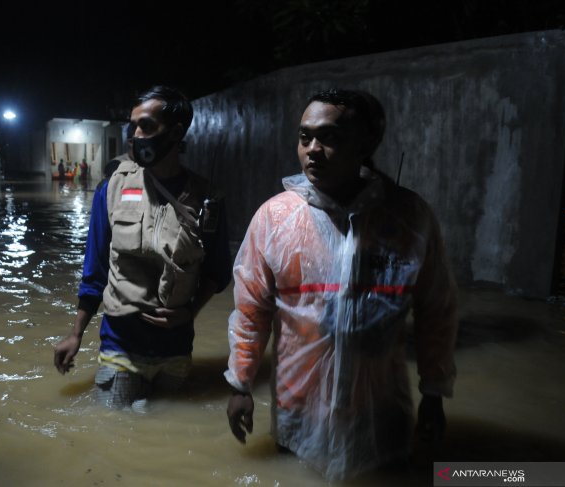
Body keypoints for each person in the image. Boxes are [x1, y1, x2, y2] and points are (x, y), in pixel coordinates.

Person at [224, 89, 458, 480]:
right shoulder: (274, 219)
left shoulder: (408, 218)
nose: (312, 149)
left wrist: (434, 393)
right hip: (298, 409)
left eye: (329, 137)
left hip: (381, 411)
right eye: (304, 137)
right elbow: (250, 309)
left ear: (365, 143)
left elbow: (438, 310)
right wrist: (240, 384)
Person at [54, 85, 232, 411]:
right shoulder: (112, 190)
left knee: (166, 439)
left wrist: (189, 314)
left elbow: (218, 272)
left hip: (176, 353)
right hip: (120, 347)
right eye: (133, 126)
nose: (135, 135)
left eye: (146, 126)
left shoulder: (208, 200)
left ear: (176, 132)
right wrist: (76, 334)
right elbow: (95, 271)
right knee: (116, 435)